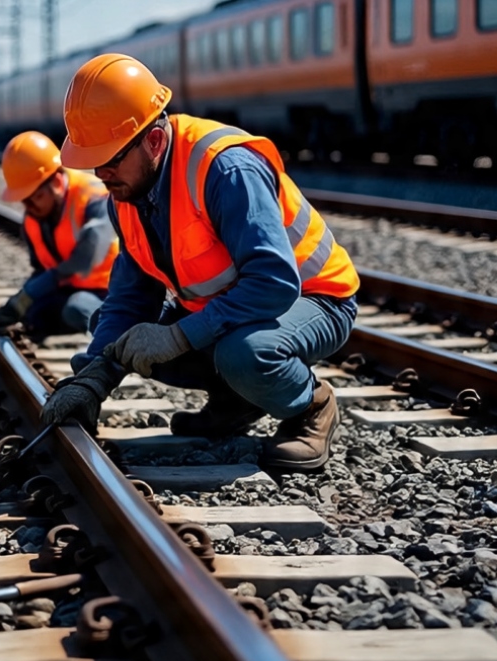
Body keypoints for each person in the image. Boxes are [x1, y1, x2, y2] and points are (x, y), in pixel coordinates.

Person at [40, 54, 359, 472]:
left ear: (153, 141)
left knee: (244, 353)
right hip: (232, 306)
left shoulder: (226, 169)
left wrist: (180, 335)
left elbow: (274, 282)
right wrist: (91, 379)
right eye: (95, 161)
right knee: (118, 332)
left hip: (314, 298)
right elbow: (129, 300)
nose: (102, 172)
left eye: (111, 158)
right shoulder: (128, 194)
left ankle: (311, 406)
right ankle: (237, 401)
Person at [0, 131, 119, 337]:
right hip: (73, 287)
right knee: (33, 314)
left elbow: (84, 260)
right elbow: (43, 271)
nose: (29, 207)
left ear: (56, 182)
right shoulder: (34, 218)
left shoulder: (95, 196)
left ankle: (112, 347)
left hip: (115, 292)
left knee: (76, 308)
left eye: (36, 197)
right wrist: (18, 306)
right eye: (24, 199)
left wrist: (28, 294)